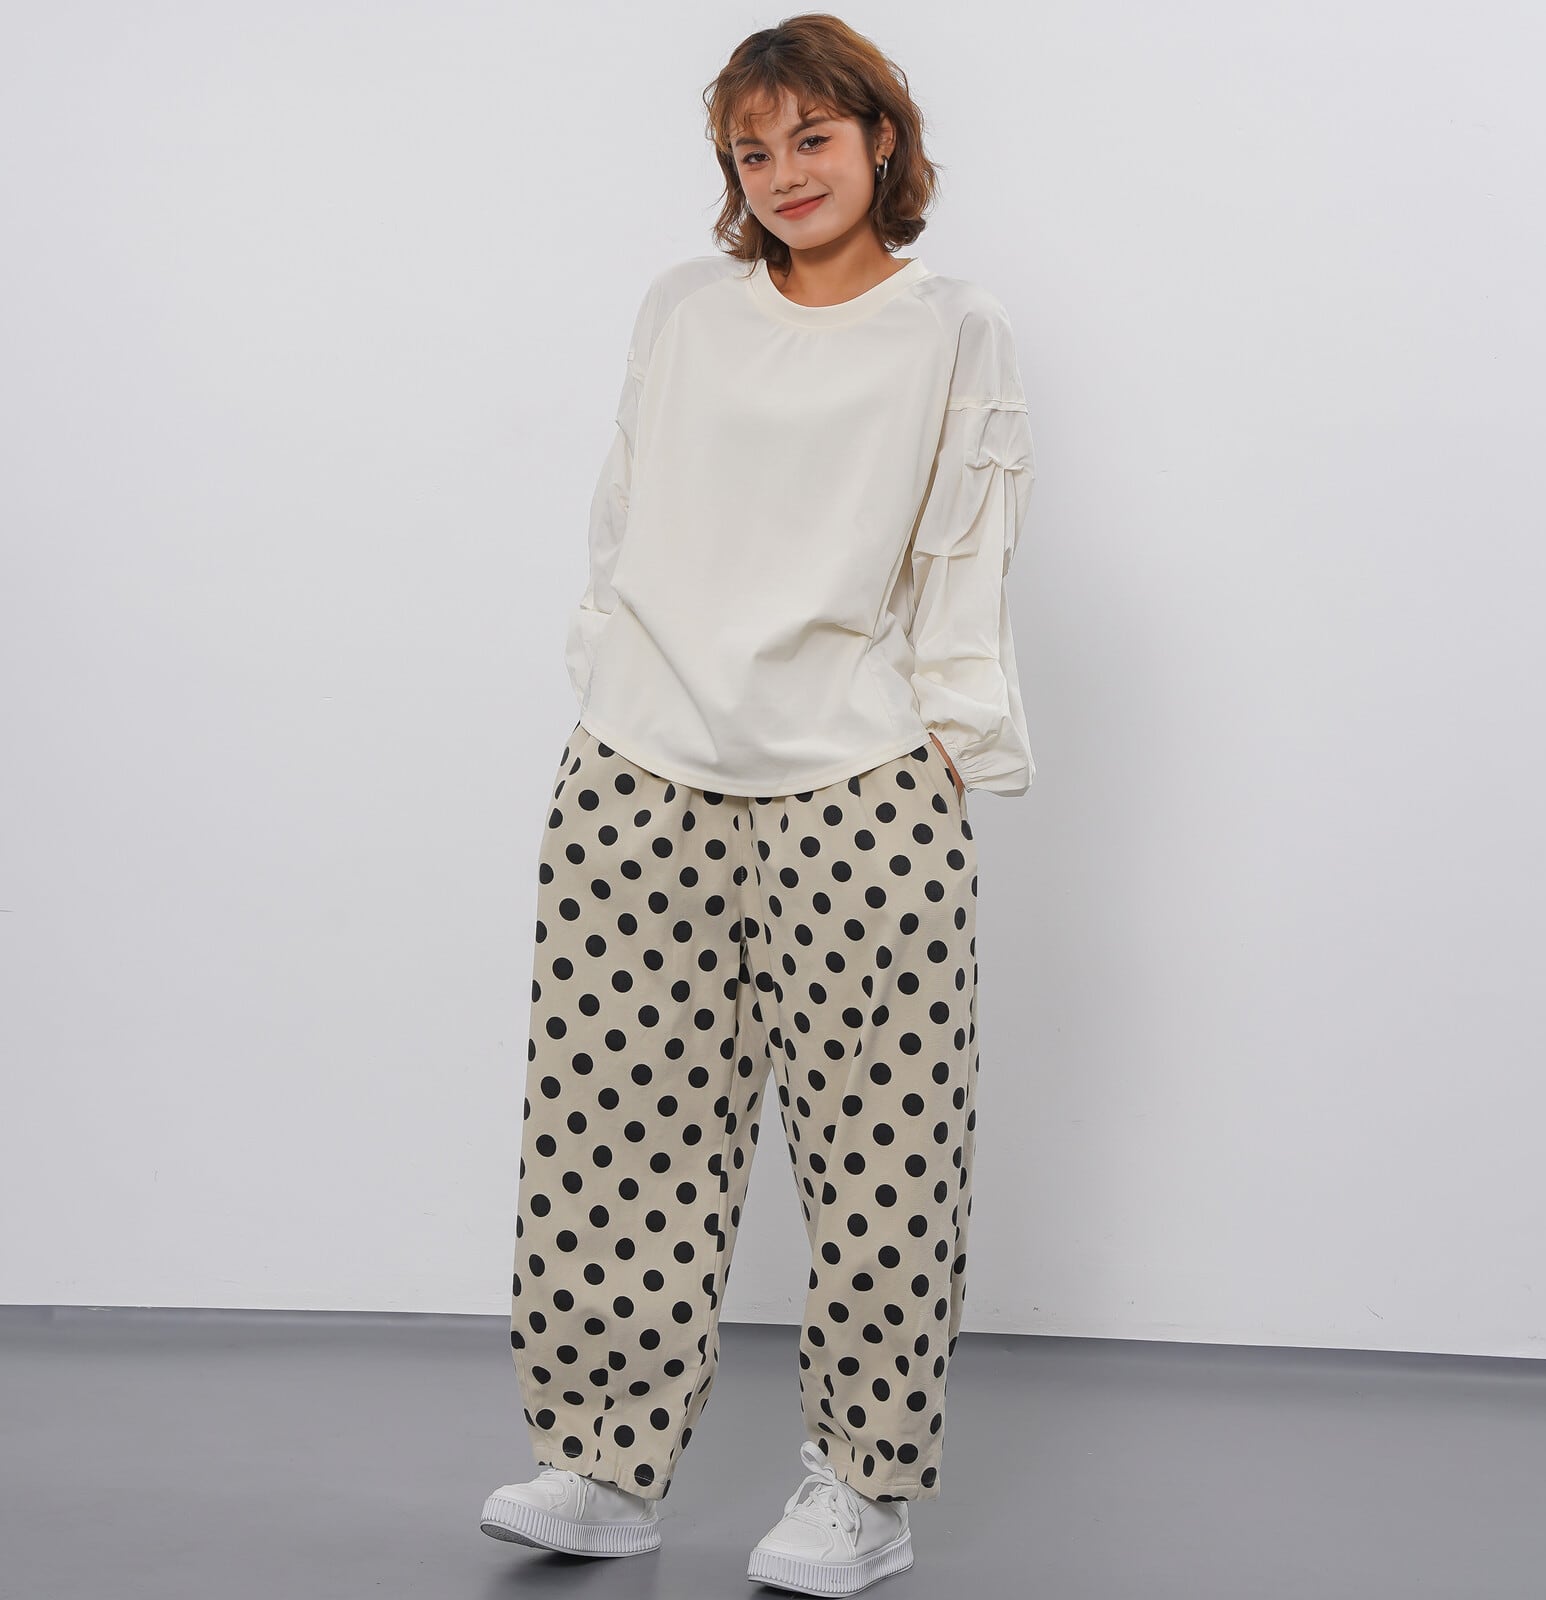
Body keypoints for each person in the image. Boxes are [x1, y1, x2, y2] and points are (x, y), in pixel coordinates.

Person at [480, 14, 1037, 1594]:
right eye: (753, 149)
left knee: (884, 1154)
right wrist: (607, 676)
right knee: (609, 1131)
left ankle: (864, 1491)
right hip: (639, 766)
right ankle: (602, 1464)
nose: (784, 173)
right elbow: (625, 507)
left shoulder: (953, 326)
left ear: (880, 141)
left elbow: (969, 538)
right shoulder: (684, 308)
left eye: (812, 138)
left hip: (859, 780)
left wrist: (950, 733)